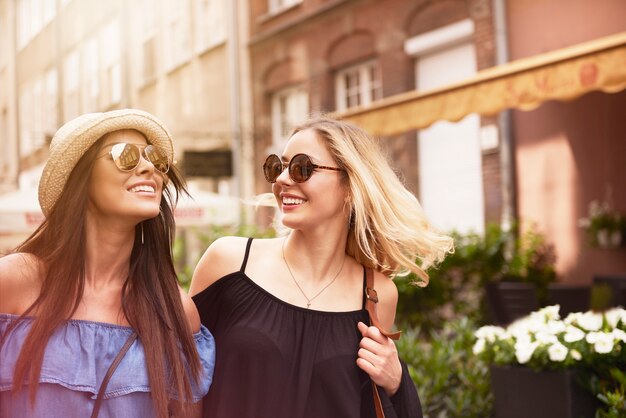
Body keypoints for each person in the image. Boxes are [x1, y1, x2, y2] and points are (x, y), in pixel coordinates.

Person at [190, 115, 454, 418]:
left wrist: (395, 381)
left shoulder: (376, 292)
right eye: (278, 166)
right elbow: (178, 375)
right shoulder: (229, 262)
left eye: (303, 167)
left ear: (350, 186)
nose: (282, 179)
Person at [0, 109, 215, 418]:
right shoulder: (13, 281)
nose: (148, 168)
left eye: (154, 159)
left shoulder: (174, 311)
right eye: (125, 155)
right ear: (81, 176)